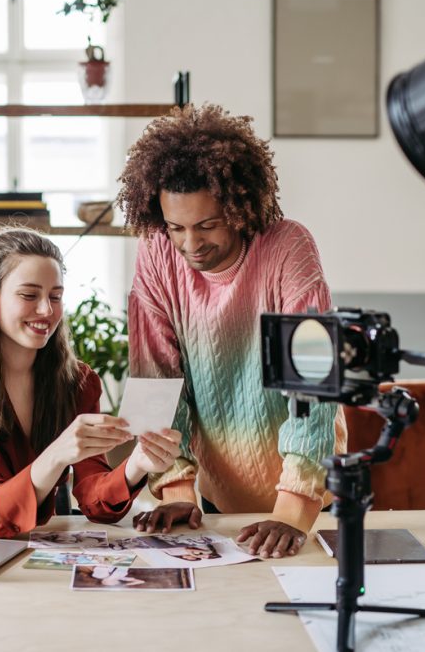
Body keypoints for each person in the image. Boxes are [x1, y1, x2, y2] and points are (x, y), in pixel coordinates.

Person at [117, 103, 347, 559]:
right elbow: (156, 380)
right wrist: (178, 493)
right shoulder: (158, 254)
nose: (190, 244)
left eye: (207, 225)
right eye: (175, 227)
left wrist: (292, 511)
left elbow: (314, 387)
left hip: (313, 498)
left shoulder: (287, 248)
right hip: (220, 498)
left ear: (240, 207)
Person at [0, 228, 182, 539]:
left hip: (41, 556)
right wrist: (57, 454)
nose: (47, 310)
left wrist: (136, 465)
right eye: (29, 295)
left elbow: (93, 501)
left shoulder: (79, 383)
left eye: (55, 296)